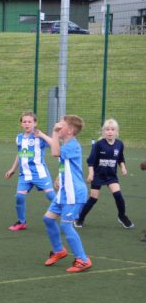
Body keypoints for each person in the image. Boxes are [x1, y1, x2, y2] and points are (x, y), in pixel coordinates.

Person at [42, 115, 92, 273]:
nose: (58, 126)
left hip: (74, 193)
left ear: (69, 130)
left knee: (65, 224)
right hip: (64, 192)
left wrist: (54, 133)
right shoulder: (67, 144)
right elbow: (67, 164)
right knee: (48, 219)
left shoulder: (72, 145)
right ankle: (59, 250)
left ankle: (83, 259)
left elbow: (55, 153)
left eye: (61, 125)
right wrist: (59, 176)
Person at [75, 119, 134, 229]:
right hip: (98, 175)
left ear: (117, 131)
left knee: (118, 196)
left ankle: (122, 216)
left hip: (111, 176)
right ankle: (80, 218)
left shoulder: (119, 144)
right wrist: (91, 174)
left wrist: (123, 168)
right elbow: (91, 161)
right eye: (107, 129)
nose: (110, 132)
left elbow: (120, 158)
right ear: (103, 132)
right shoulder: (98, 145)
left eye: (112, 129)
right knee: (93, 199)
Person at [4, 111, 56, 231]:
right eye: (24, 122)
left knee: (51, 196)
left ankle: (69, 215)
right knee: (19, 197)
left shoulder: (39, 137)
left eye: (30, 122)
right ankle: (22, 222)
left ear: (35, 123)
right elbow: (20, 154)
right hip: (25, 174)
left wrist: (42, 135)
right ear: (21, 124)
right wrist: (12, 169)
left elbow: (55, 144)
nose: (27, 124)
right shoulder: (19, 138)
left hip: (40, 173)